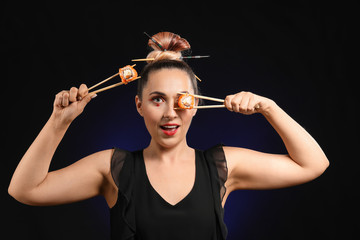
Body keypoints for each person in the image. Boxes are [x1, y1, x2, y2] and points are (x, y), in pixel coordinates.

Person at [8, 32, 329, 240]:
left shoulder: (224, 165)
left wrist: (269, 109)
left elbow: (312, 164)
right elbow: (25, 190)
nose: (170, 113)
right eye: (157, 99)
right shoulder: (112, 168)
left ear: (197, 105)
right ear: (140, 106)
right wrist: (58, 123)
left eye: (181, 100)